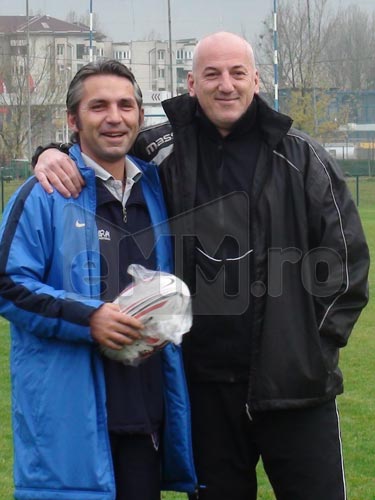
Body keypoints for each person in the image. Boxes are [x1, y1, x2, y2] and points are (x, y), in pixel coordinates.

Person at [32, 32, 370, 500]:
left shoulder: (302, 156)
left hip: (296, 388)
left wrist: (312, 349)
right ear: (192, 83)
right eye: (212, 74)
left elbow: (347, 263)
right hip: (204, 391)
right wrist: (49, 153)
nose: (225, 85)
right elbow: (99, 150)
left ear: (257, 78)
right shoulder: (159, 149)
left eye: (236, 73)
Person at [0, 60, 197, 500]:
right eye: (99, 106)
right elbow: (8, 283)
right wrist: (90, 318)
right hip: (70, 429)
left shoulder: (157, 190)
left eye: (126, 105)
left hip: (145, 417)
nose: (115, 117)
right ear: (73, 120)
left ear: (140, 116)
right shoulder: (44, 193)